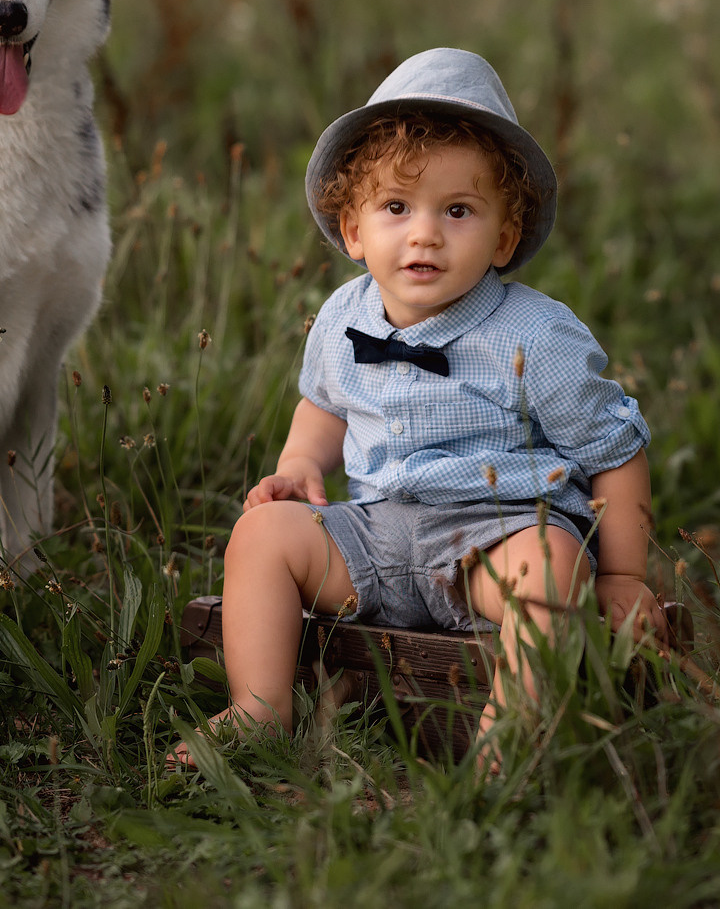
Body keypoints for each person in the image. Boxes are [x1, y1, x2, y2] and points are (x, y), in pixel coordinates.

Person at [173, 47, 665, 768]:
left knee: (553, 567)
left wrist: (622, 575)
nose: (424, 233)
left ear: (504, 237)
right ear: (353, 230)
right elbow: (325, 405)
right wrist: (300, 464)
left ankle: (513, 728)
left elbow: (614, 451)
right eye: (396, 208)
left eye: (457, 211)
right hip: (376, 538)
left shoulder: (537, 336)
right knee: (260, 536)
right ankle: (261, 707)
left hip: (495, 540)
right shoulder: (344, 316)